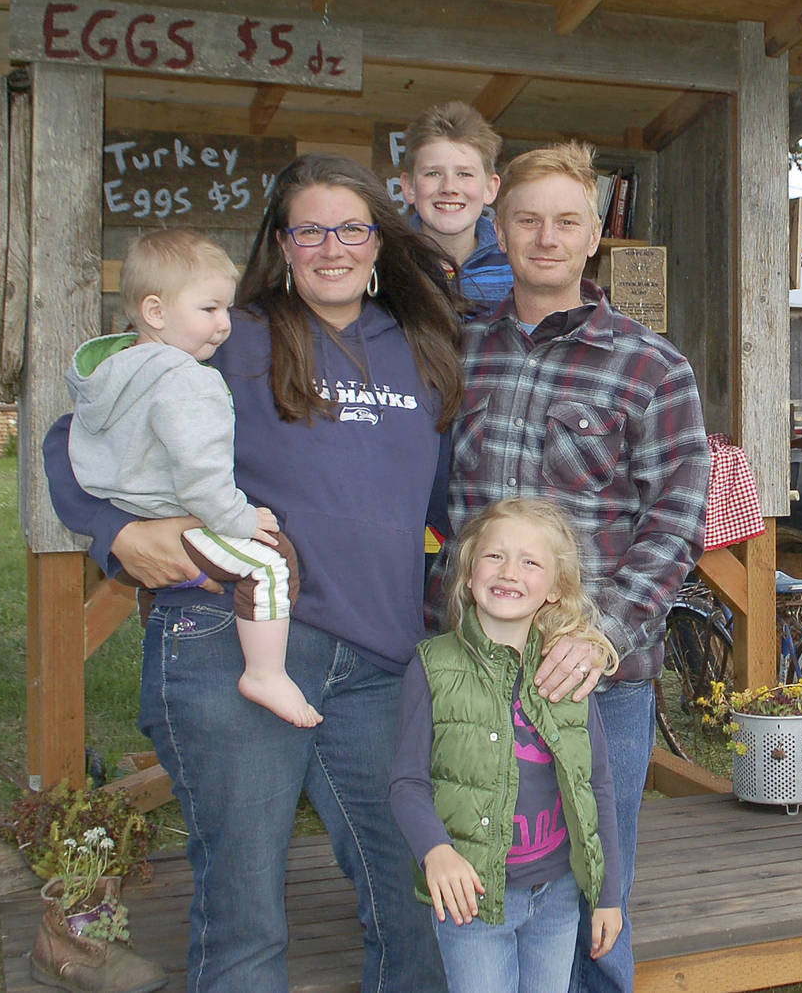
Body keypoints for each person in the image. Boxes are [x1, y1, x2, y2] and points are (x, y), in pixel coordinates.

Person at [41, 154, 465, 993]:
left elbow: (449, 495)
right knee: (245, 910)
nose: (332, 247)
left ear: (379, 241)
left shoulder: (421, 347)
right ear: (283, 242)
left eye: (352, 228)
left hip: (381, 658)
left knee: (412, 891)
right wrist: (116, 530)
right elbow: (78, 438)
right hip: (233, 647)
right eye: (310, 229)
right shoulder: (232, 334)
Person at [447, 141, 709, 993]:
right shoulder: (455, 355)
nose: (546, 237)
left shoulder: (652, 368)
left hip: (596, 682)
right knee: (466, 880)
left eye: (567, 220)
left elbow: (677, 519)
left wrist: (600, 634)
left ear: (596, 234)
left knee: (596, 889)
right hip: (471, 678)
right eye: (528, 220)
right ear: (499, 228)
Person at [65, 229, 317, 728]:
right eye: (210, 310)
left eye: (227, 308)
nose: (225, 325)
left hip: (135, 517)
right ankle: (264, 673)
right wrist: (240, 519)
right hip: (175, 520)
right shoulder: (186, 381)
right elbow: (203, 478)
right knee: (271, 562)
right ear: (156, 312)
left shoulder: (117, 369)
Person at [390, 498, 624, 993]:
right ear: (469, 573)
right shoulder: (432, 666)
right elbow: (408, 782)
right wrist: (436, 851)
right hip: (472, 898)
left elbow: (597, 788)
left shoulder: (570, 673)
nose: (509, 571)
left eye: (530, 561)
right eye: (494, 556)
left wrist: (608, 897)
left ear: (556, 590)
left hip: (557, 895)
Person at [401, 101, 513, 317]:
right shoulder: (388, 259)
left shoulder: (514, 262)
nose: (449, 188)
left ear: (490, 188)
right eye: (433, 173)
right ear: (408, 187)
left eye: (464, 174)